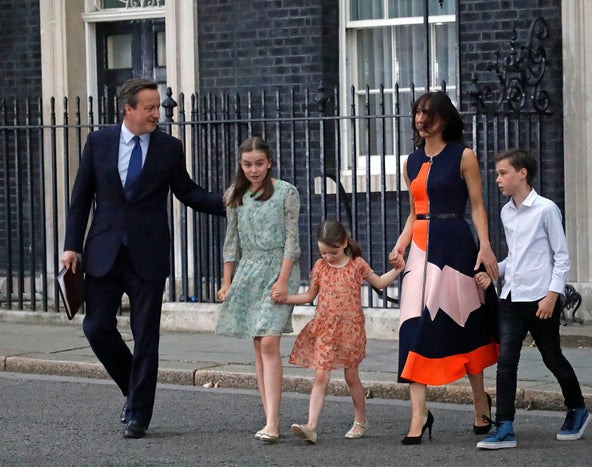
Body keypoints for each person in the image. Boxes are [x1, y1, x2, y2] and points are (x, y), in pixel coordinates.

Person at [60, 78, 225, 439]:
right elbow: (81, 197)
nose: (156, 114)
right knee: (96, 327)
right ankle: (134, 388)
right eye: (149, 108)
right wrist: (71, 245)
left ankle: (139, 414)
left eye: (156, 108)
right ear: (129, 109)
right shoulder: (99, 142)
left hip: (148, 254)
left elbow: (188, 192)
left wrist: (229, 202)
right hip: (103, 252)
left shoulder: (168, 147)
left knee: (146, 335)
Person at [389, 91, 500, 445]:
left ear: (445, 118)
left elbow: (479, 206)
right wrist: (401, 242)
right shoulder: (411, 160)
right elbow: (414, 209)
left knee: (464, 322)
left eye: (429, 114)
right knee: (413, 326)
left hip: (454, 244)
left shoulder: (463, 155)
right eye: (418, 113)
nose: (421, 120)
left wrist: (484, 245)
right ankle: (419, 414)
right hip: (419, 248)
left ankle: (481, 404)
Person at [475, 148, 589, 450]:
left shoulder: (546, 209)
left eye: (503, 173)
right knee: (506, 361)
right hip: (512, 298)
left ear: (522, 173)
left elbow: (561, 258)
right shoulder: (505, 212)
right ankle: (505, 426)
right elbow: (516, 257)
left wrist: (553, 295)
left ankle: (577, 409)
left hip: (541, 299)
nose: (497, 179)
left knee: (552, 358)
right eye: (497, 174)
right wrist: (494, 272)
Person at [276, 220, 405, 445]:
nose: (327, 257)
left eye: (332, 252)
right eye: (323, 252)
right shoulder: (320, 267)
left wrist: (397, 269)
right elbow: (309, 296)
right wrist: (286, 298)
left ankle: (360, 420)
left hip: (351, 330)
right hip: (325, 328)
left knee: (351, 376)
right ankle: (311, 426)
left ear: (344, 243)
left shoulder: (357, 265)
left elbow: (380, 283)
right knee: (320, 375)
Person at [215, 136, 300, 444]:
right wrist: (227, 282)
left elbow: (293, 241)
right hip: (249, 270)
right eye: (247, 164)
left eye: (259, 164)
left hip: (279, 268)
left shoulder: (286, 192)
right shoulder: (234, 195)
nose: (253, 170)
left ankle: (273, 420)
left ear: (270, 163)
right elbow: (231, 241)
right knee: (258, 344)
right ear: (241, 165)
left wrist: (283, 279)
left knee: (269, 343)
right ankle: (269, 418)